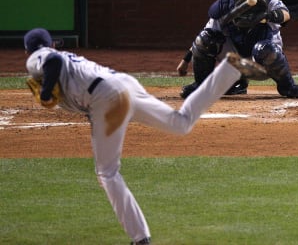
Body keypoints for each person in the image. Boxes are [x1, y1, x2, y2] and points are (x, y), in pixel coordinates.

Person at [23, 27, 266, 245]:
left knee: (107, 173)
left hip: (105, 96)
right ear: (52, 42)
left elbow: (52, 61)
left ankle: (140, 238)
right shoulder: (70, 59)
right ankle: (228, 70)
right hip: (122, 84)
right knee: (180, 123)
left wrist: (45, 93)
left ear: (29, 50)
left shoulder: (38, 56)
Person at [179, 0, 298, 100]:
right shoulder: (224, 5)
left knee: (264, 49)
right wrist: (186, 59)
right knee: (206, 39)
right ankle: (202, 86)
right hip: (233, 58)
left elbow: (285, 15)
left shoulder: (269, 1)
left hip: (261, 60)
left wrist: (265, 16)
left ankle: (288, 87)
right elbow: (205, 34)